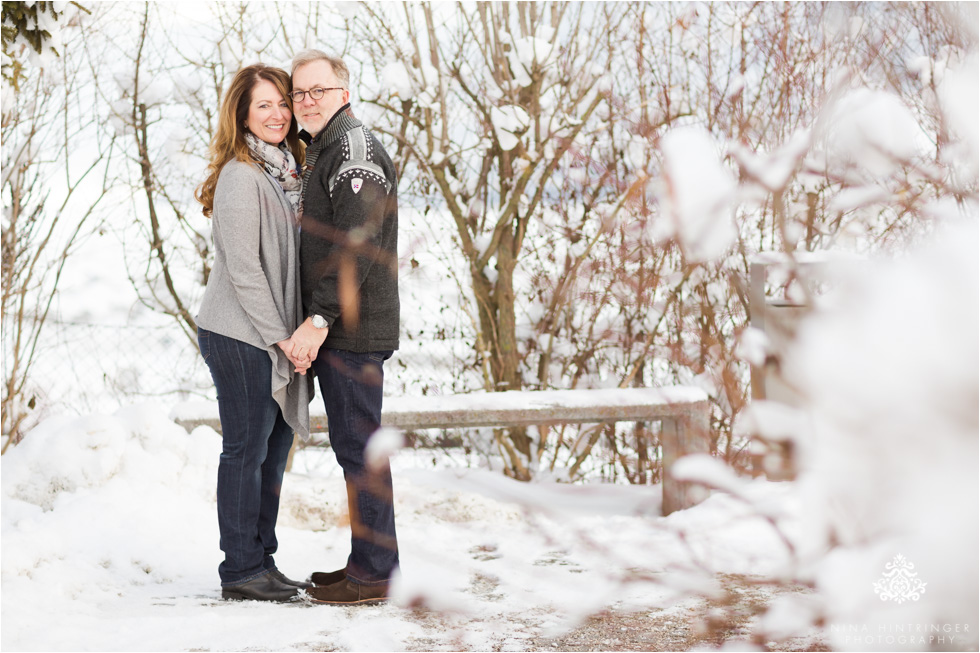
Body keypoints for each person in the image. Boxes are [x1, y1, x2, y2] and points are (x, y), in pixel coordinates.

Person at [195, 63, 314, 602]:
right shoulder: (243, 176)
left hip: (272, 333)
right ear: (242, 113)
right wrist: (282, 338)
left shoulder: (287, 172)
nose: (277, 113)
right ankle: (240, 570)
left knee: (273, 445)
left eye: (282, 103)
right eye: (263, 104)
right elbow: (243, 268)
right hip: (240, 332)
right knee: (246, 448)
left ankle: (260, 559)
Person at [286, 49, 401, 605]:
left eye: (318, 91)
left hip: (351, 330)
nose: (307, 101)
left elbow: (358, 246)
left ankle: (375, 572)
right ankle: (367, 562)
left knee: (360, 451)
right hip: (342, 327)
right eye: (298, 93)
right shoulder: (324, 148)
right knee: (354, 449)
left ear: (344, 92)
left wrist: (319, 317)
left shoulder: (352, 150)